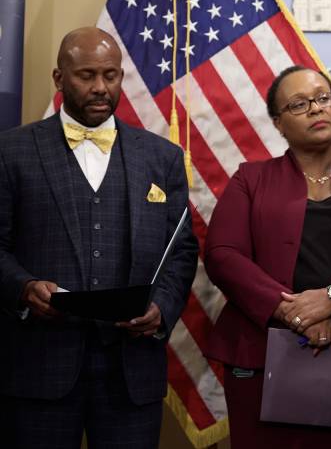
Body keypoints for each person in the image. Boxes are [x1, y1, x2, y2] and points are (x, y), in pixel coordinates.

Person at [0, 27, 198, 448]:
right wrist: (23, 288)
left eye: (111, 76)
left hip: (131, 372)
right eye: (86, 75)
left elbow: (181, 250)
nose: (100, 88)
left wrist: (161, 308)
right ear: (59, 78)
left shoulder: (161, 158)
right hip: (39, 367)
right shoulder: (10, 152)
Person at [203, 65, 331, 448]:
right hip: (260, 352)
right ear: (279, 123)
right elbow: (221, 254)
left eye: (322, 98)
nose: (316, 109)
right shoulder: (250, 179)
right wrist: (292, 312)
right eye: (299, 104)